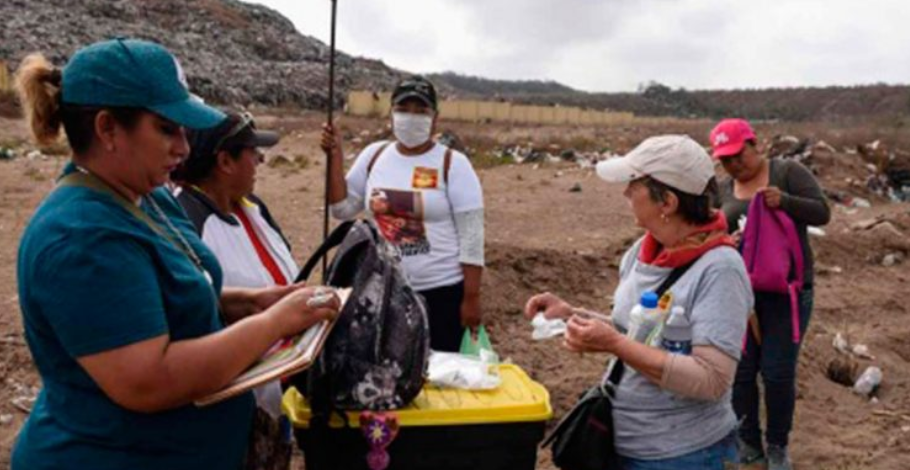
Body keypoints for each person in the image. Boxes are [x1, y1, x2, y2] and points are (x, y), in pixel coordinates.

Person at [11, 39, 339, 470]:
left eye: (185, 131)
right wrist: (272, 323)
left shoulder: (147, 196)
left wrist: (245, 302)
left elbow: (160, 293)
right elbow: (149, 380)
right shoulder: (80, 238)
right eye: (167, 128)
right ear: (108, 128)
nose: (184, 148)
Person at [526, 135, 753, 469]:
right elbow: (637, 329)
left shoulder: (721, 271)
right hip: (625, 440)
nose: (625, 192)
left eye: (635, 184)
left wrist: (615, 345)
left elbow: (711, 380)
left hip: (682, 454)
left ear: (668, 202)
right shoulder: (645, 251)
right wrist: (572, 314)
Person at [321, 76, 485, 352]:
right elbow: (341, 208)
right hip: (383, 290)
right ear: (391, 113)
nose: (411, 117)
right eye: (403, 109)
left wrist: (471, 297)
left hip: (440, 293)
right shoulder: (374, 156)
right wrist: (335, 156)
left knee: (439, 379)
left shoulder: (452, 164)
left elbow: (472, 233)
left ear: (435, 119)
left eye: (421, 111)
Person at [173, 111, 299, 470]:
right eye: (252, 152)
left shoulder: (253, 207)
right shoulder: (187, 220)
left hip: (277, 391)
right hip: (234, 403)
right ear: (225, 161)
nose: (259, 160)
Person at [710, 118, 831, 470]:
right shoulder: (722, 189)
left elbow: (822, 212)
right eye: (726, 159)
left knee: (778, 372)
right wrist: (725, 240)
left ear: (754, 144)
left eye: (738, 155)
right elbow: (713, 230)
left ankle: (777, 445)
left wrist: (786, 202)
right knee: (743, 371)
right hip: (741, 295)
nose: (734, 164)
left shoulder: (787, 172)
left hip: (788, 293)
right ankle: (748, 441)